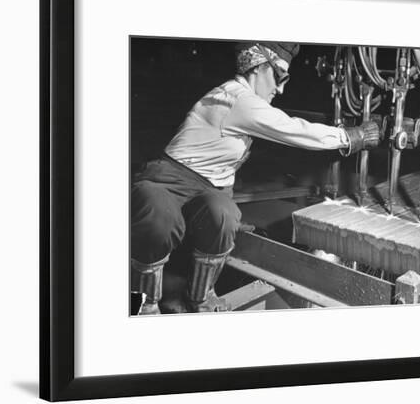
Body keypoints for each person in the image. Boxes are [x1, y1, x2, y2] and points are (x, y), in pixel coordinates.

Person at [131, 41, 379, 314]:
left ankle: (201, 296)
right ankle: (146, 303)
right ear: (258, 66)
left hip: (206, 186)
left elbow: (221, 172)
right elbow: (294, 130)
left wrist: (229, 220)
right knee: (159, 217)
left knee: (224, 214)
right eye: (280, 76)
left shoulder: (245, 103)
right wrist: (351, 137)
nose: (281, 88)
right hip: (165, 180)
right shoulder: (238, 98)